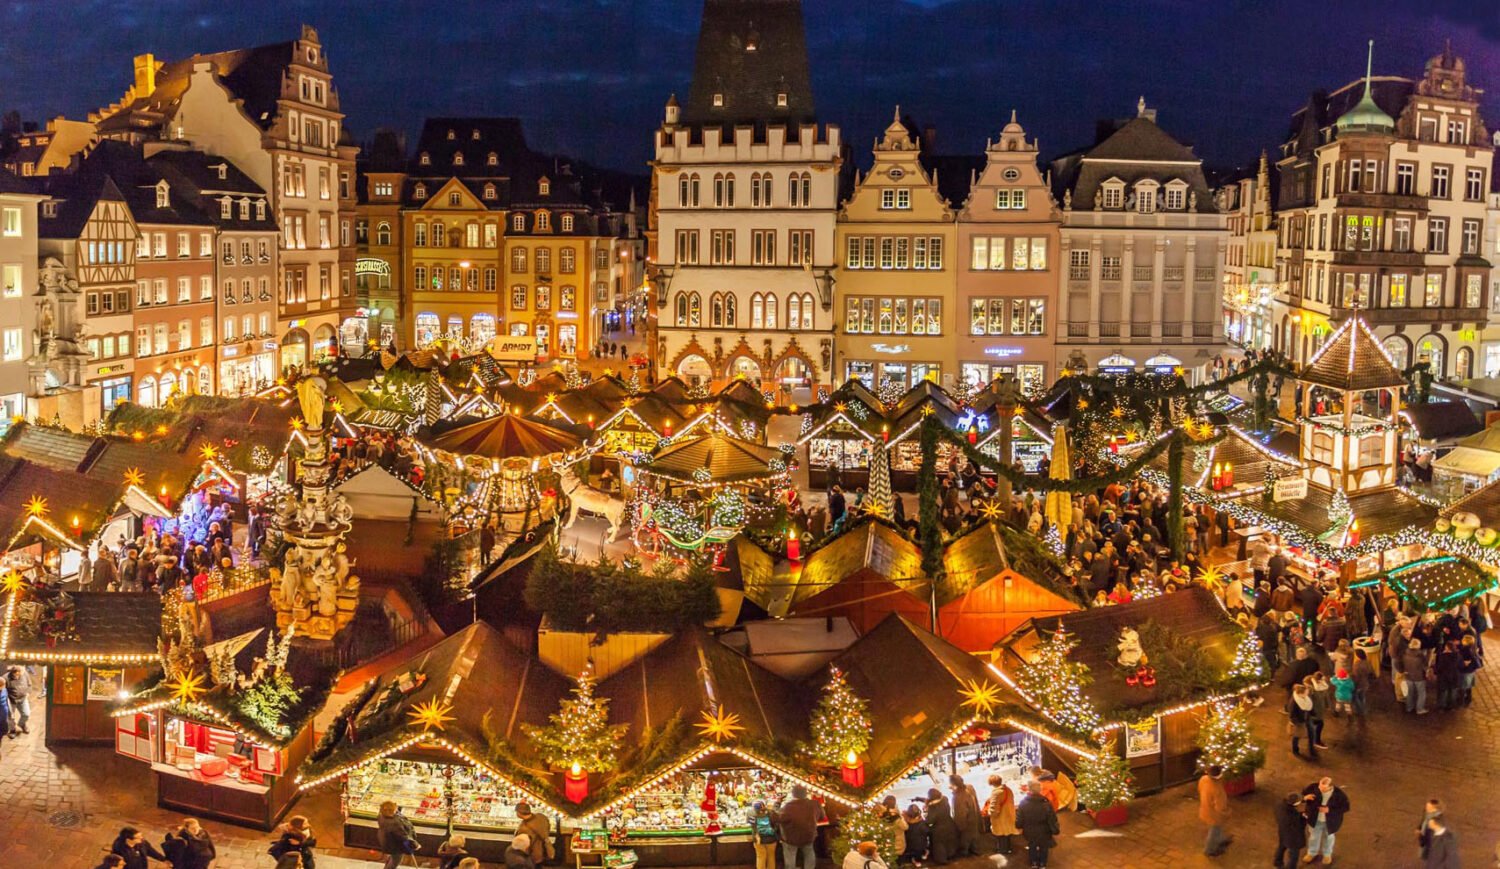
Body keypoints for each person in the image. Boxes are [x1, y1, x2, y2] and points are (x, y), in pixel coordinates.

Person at [1301, 777, 1350, 865]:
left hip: (1330, 822)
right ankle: (1312, 853)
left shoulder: (1339, 795)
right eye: (1320, 786)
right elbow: (1303, 794)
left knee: (1328, 838)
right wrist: (1305, 798)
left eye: (1323, 788)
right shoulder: (1313, 787)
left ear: (1330, 787)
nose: (1320, 789)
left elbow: (1345, 807)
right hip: (1314, 819)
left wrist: (1329, 810)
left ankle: (1327, 855)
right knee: (1313, 837)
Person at [777, 785, 827, 869]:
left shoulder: (787, 807)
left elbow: (777, 818)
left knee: (790, 857)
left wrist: (777, 804)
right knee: (809, 853)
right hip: (809, 834)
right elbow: (822, 816)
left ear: (793, 794)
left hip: (790, 837)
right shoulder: (815, 804)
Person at [1015, 781, 1059, 868]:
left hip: (1029, 830)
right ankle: (1043, 864)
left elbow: (1019, 819)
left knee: (1032, 846)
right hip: (1044, 830)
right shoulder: (1046, 803)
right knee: (1044, 847)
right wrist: (1054, 828)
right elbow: (1052, 818)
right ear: (1040, 790)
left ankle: (1033, 862)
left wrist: (1019, 826)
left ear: (1029, 790)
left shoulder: (1023, 803)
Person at [1197, 764, 1231, 857]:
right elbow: (1220, 807)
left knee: (1217, 828)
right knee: (1214, 830)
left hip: (1204, 808)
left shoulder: (1204, 779)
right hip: (1214, 815)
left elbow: (1199, 789)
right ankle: (1209, 850)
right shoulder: (1217, 789)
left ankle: (1221, 839)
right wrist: (1227, 813)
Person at [375, 801, 417, 869]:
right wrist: (415, 844)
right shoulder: (394, 823)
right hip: (395, 845)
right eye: (395, 808)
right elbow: (403, 836)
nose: (397, 808)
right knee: (396, 861)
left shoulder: (381, 815)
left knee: (392, 856)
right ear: (392, 811)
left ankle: (387, 865)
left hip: (386, 840)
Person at [948, 773, 982, 857]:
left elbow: (960, 815)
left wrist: (958, 827)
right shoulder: (970, 787)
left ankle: (965, 853)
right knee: (974, 837)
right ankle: (975, 850)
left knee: (965, 839)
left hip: (966, 822)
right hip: (974, 817)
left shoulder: (958, 797)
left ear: (954, 785)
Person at [984, 773, 1018, 856]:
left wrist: (989, 812)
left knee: (1001, 836)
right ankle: (1008, 848)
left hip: (1001, 818)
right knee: (1007, 834)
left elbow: (994, 809)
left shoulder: (996, 793)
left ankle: (1003, 851)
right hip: (1009, 815)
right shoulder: (1007, 789)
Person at [1273, 791, 1307, 869]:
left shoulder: (1280, 805)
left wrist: (1304, 799)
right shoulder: (1292, 815)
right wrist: (1304, 817)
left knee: (1282, 847)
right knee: (1293, 856)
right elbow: (1299, 826)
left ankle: (1277, 862)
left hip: (1283, 831)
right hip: (1293, 838)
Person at [922, 789, 957, 865]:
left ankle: (942, 860)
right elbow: (933, 801)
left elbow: (929, 821)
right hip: (949, 824)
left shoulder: (933, 808)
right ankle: (950, 855)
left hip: (939, 829)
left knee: (939, 845)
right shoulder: (944, 799)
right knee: (949, 842)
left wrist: (925, 811)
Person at [1287, 683, 1319, 759]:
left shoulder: (1305, 698)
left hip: (1307, 718)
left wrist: (1313, 713)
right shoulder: (1294, 702)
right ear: (1300, 694)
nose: (1307, 694)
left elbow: (1309, 707)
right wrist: (1296, 722)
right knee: (1297, 735)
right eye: (1306, 692)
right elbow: (1292, 714)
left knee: (1312, 732)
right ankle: (1295, 749)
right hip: (1299, 721)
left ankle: (1311, 748)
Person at [749, 801, 778, 869]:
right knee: (771, 856)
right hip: (771, 838)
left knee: (760, 856)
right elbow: (776, 823)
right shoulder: (771, 813)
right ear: (764, 806)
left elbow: (752, 826)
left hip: (758, 839)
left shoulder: (751, 814)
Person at [1416, 799, 1444, 863]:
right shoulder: (1427, 812)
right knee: (1424, 856)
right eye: (1427, 806)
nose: (1427, 808)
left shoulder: (1438, 819)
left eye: (1429, 807)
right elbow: (1423, 821)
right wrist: (1419, 828)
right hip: (1424, 840)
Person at [6, 664, 31, 735]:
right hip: (11, 700)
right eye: (17, 675)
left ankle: (22, 724)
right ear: (14, 673)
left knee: (26, 714)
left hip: (23, 699)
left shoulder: (25, 674)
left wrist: (28, 692)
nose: (19, 676)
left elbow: (29, 684)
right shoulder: (6, 678)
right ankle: (12, 730)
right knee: (10, 717)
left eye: (20, 675)